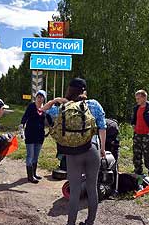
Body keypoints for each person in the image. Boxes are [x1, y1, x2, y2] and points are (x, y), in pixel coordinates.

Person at [40, 78, 106, 225]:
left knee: (75, 191)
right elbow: (102, 127)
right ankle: (89, 222)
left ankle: (71, 223)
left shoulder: (62, 106)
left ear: (69, 90)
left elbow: (41, 111)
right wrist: (102, 149)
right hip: (92, 149)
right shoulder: (94, 104)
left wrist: (54, 100)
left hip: (73, 154)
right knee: (92, 187)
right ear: (84, 91)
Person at [20, 89, 50, 184]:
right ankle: (30, 176)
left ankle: (34, 173)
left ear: (44, 99)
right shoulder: (31, 106)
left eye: (41, 97)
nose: (39, 98)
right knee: (30, 155)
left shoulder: (45, 108)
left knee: (36, 156)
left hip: (40, 135)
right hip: (30, 134)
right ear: (35, 97)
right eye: (38, 96)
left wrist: (53, 126)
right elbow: (25, 117)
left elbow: (49, 120)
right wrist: (22, 125)